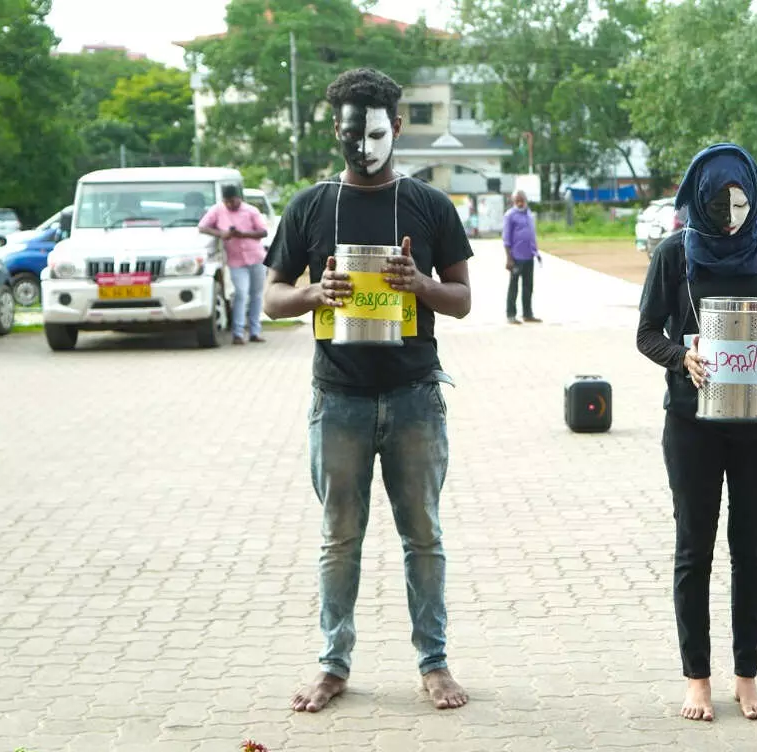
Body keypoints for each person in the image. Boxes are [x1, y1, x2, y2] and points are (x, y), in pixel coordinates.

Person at [264, 68, 473, 712]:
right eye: (351, 133)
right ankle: (333, 664)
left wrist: (420, 284)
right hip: (340, 400)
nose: (363, 145)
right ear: (336, 129)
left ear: (398, 128)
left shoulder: (431, 206)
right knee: (339, 538)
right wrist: (311, 294)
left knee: (424, 536)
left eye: (376, 132)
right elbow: (272, 300)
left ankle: (434, 663)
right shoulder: (309, 206)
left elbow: (462, 300)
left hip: (414, 396)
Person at [635, 143, 757, 722]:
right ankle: (697, 678)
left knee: (750, 552)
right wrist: (682, 356)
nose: (732, 218)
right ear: (698, 201)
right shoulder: (674, 252)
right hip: (692, 424)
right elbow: (646, 333)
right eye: (719, 205)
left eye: (741, 204)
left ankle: (746, 676)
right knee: (694, 551)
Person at [200, 184, 269, 345]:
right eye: (227, 202)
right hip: (236, 260)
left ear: (239, 198)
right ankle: (237, 333)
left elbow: (263, 232)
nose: (230, 205)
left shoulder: (251, 211)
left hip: (256, 258)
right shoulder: (217, 210)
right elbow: (202, 227)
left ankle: (254, 331)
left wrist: (242, 234)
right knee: (241, 294)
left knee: (256, 295)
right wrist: (221, 234)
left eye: (233, 201)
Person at [503, 190, 541, 324]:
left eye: (522, 200)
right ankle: (511, 315)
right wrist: (509, 258)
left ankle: (527, 314)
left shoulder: (529, 214)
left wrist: (536, 252)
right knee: (513, 287)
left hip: (529, 256)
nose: (520, 203)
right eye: (517, 200)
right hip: (516, 257)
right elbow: (506, 239)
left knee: (528, 287)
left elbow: (532, 235)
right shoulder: (510, 215)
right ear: (514, 201)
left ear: (526, 200)